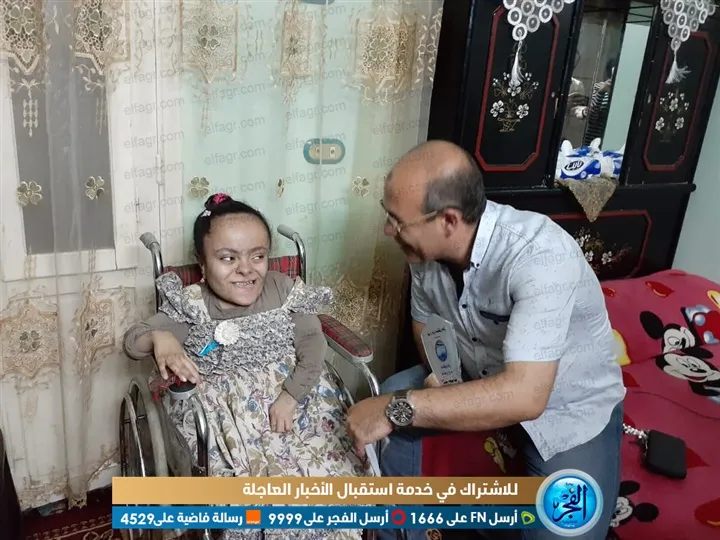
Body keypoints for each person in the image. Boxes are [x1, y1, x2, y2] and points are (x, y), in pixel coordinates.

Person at [346, 141, 626, 540]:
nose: (388, 230)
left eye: (397, 221)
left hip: (565, 408)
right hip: (475, 374)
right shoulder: (425, 253)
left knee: (566, 527)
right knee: (393, 390)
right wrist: (441, 381)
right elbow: (427, 328)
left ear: (448, 220)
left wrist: (398, 409)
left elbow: (526, 397)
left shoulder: (540, 254)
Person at [123, 193, 369, 540]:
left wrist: (291, 396)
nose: (246, 269)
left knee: (330, 484)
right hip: (226, 418)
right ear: (203, 263)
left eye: (258, 256)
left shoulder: (282, 290)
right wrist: (159, 337)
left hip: (297, 400)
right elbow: (132, 342)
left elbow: (313, 344)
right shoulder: (191, 303)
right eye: (228, 258)